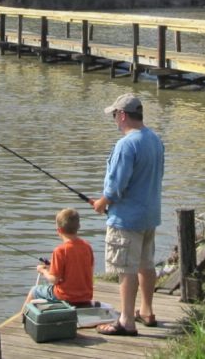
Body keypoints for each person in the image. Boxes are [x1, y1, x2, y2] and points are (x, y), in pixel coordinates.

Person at [92, 93, 165, 336]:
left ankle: (126, 321)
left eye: (115, 115)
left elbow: (116, 186)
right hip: (149, 214)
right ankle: (147, 311)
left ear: (123, 115)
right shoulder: (154, 139)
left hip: (127, 219)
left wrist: (102, 203)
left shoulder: (126, 144)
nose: (114, 120)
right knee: (146, 264)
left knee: (127, 269)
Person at [24, 208, 95, 307]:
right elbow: (82, 268)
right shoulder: (87, 247)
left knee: (34, 290)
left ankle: (23, 318)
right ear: (78, 226)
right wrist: (53, 264)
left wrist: (43, 271)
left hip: (65, 296)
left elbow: (54, 279)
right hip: (86, 296)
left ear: (59, 230)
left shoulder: (60, 250)